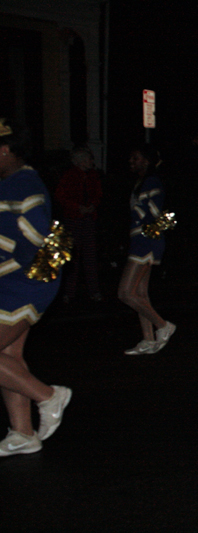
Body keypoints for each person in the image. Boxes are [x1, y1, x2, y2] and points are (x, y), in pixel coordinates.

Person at [0, 119, 72, 456]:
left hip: (22, 283)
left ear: (5, 150)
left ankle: (48, 396)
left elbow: (39, 235)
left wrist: (18, 262)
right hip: (17, 281)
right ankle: (23, 433)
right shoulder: (13, 182)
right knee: (8, 356)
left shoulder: (22, 184)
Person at [118, 144, 176, 355]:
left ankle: (163, 326)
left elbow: (155, 211)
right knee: (141, 293)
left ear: (147, 161)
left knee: (125, 292)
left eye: (136, 158)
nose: (131, 162)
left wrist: (143, 216)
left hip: (146, 241)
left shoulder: (152, 182)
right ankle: (148, 340)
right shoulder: (141, 182)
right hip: (142, 240)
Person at [55, 145, 103, 303]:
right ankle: (69, 292)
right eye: (89, 159)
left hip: (88, 219)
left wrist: (92, 206)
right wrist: (77, 208)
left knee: (90, 256)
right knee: (73, 256)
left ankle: (94, 291)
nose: (91, 161)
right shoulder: (69, 176)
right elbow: (61, 197)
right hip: (73, 219)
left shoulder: (93, 175)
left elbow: (98, 194)